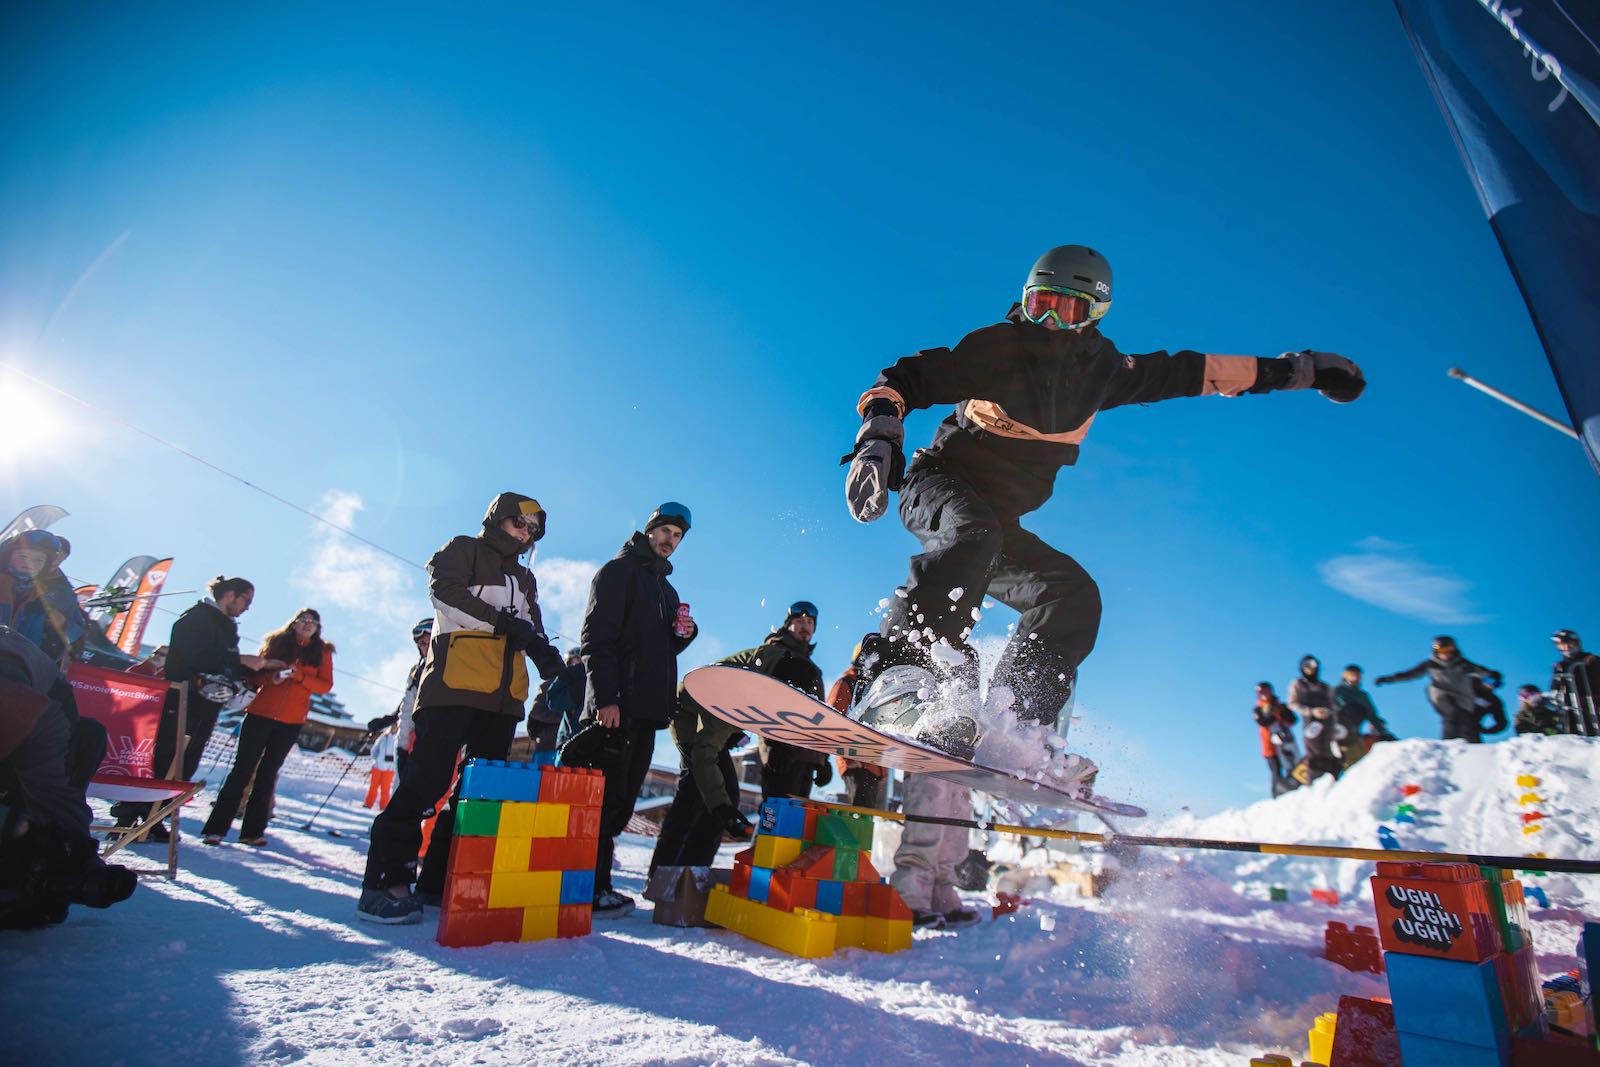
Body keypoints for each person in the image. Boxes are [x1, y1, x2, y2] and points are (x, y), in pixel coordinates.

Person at [841, 244, 1365, 780]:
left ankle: (1018, 726)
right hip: (938, 486)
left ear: (1095, 314)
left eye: (1069, 309)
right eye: (1041, 302)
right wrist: (879, 437)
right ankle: (897, 681)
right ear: (1023, 299)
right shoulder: (996, 349)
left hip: (996, 527)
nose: (1049, 320)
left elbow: (1201, 372)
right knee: (972, 536)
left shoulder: (1106, 373)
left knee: (1069, 594)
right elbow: (906, 379)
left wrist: (1302, 371)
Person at [358, 492, 563, 924]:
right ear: (498, 520)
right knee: (428, 783)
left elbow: (532, 628)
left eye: (532, 529)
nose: (525, 534)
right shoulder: (463, 549)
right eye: (518, 524)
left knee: (479, 793)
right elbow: (445, 594)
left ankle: (437, 882)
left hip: (503, 697)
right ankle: (383, 882)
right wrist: (504, 624)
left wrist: (550, 661)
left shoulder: (525, 580)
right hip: (454, 685)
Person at [561, 502, 697, 919]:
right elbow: (596, 639)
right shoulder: (616, 572)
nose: (670, 541)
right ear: (649, 528)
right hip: (614, 707)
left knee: (620, 802)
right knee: (600, 802)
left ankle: (594, 887)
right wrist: (606, 699)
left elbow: (655, 650)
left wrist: (684, 636)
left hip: (646, 710)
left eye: (677, 536)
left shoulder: (666, 590)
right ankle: (586, 888)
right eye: (665, 531)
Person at [650, 601, 825, 877]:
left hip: (718, 718)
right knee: (701, 793)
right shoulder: (743, 689)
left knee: (723, 795)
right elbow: (704, 752)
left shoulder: (782, 672)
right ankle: (665, 875)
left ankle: (692, 874)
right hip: (688, 715)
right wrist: (723, 809)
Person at [112, 576, 279, 840]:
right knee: (164, 757)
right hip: (181, 698)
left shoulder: (227, 627)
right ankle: (129, 815)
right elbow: (191, 656)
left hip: (206, 704)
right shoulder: (196, 618)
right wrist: (239, 659)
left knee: (184, 765)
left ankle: (154, 816)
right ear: (230, 595)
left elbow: (221, 663)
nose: (247, 607)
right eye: (246, 599)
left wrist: (247, 672)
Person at [0, 626, 136, 928]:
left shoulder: (34, 714)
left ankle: (59, 873)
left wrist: (77, 856)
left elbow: (55, 793)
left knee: (45, 810)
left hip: (41, 721)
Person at [201, 609, 334, 846]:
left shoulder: (322, 652)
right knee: (241, 769)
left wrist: (300, 676)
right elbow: (254, 675)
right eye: (303, 620)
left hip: (291, 721)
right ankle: (216, 828)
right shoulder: (276, 642)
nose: (307, 625)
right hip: (260, 713)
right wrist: (270, 679)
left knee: (268, 774)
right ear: (293, 623)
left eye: (313, 622)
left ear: (318, 628)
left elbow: (324, 685)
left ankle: (252, 832)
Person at [753, 602, 830, 800]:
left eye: (810, 622)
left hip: (805, 756)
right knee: (776, 818)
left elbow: (817, 713)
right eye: (799, 621)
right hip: (782, 754)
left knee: (794, 822)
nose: (805, 625)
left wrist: (823, 758)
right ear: (788, 624)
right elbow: (765, 701)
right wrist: (774, 744)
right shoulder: (776, 653)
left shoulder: (808, 663)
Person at [1375, 636, 1503, 742]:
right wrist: (1388, 679)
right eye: (1441, 650)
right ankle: (1447, 743)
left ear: (1454, 649)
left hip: (1463, 698)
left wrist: (1493, 677)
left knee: (1466, 719)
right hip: (1440, 695)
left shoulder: (1464, 664)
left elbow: (1484, 672)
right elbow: (1410, 674)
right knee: (1452, 712)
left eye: (1448, 649)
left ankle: (1473, 747)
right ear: (1435, 651)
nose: (1445, 654)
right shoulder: (1431, 665)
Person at [0, 529, 87, 668]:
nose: (30, 563)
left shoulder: (59, 592)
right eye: (23, 556)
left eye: (39, 560)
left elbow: (76, 630)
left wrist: (61, 623)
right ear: (8, 556)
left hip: (22, 667)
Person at [827, 645, 888, 809]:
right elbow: (832, 723)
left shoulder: (875, 689)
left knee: (866, 817)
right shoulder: (846, 684)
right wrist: (848, 758)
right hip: (856, 763)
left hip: (875, 765)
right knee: (858, 815)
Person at [1288, 655, 1342, 783]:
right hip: (1311, 723)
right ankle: (1313, 784)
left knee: (1329, 751)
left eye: (1313, 665)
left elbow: (1334, 705)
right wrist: (1311, 711)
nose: (1310, 668)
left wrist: (1330, 713)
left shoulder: (1325, 687)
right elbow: (1292, 703)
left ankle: (1333, 782)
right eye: (1307, 665)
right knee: (1314, 752)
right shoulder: (1298, 684)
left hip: (1328, 722)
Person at [1332, 664, 1392, 769]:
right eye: (1351, 674)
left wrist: (1383, 731)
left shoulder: (1362, 696)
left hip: (1355, 735)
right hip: (1339, 732)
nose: (1354, 677)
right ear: (1345, 675)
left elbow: (1372, 715)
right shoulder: (1336, 691)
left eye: (1357, 675)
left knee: (1358, 762)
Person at [528, 648, 585, 753]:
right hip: (550, 740)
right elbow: (536, 712)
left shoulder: (587, 681)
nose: (577, 665)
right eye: (575, 661)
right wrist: (560, 716)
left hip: (574, 738)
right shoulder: (553, 684)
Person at [1252, 681, 1299, 797]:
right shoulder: (1258, 710)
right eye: (1261, 692)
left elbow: (1293, 720)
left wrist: (1281, 712)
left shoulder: (1280, 706)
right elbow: (1263, 722)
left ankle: (1294, 789)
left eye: (1267, 691)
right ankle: (1276, 795)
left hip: (1286, 743)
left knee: (1293, 766)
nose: (1265, 694)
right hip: (1270, 747)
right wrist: (1273, 713)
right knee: (1276, 771)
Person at [1550, 629, 1600, 736]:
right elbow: (1555, 686)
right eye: (1562, 645)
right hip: (1574, 708)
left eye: (1570, 644)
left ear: (1576, 643)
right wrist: (1556, 695)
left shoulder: (1591, 659)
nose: (1567, 647)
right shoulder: (1560, 666)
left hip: (1594, 702)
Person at [366, 719, 399, 809]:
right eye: (392, 726)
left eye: (395, 726)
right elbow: (374, 750)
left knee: (386, 788)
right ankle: (368, 803)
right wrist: (376, 759)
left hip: (389, 768)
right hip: (378, 766)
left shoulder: (398, 738)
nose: (394, 728)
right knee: (373, 786)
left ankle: (383, 805)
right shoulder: (383, 737)